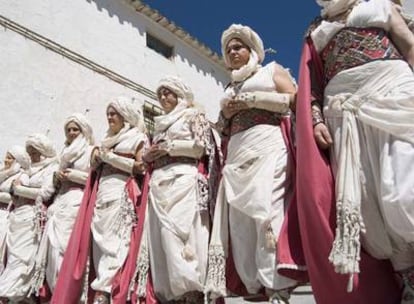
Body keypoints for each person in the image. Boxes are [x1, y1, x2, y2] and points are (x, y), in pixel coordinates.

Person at [281, 0, 414, 303]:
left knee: (402, 191)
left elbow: (409, 46)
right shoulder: (316, 28)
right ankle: (406, 280)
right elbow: (311, 84)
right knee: (368, 206)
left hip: (392, 94)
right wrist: (314, 121)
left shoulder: (379, 6)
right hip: (343, 114)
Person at [205, 24, 298, 303]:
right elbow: (222, 129)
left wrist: (254, 100)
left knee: (267, 214)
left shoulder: (271, 71)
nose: (233, 52)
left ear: (251, 49)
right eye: (229, 49)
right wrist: (226, 115)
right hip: (236, 156)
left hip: (268, 147)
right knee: (241, 226)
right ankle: (254, 288)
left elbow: (295, 98)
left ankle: (278, 287)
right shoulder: (229, 86)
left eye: (238, 47)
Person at [52, 97, 148, 304]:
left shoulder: (136, 137)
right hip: (101, 195)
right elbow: (93, 171)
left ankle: (106, 290)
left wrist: (109, 158)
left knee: (115, 243)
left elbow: (142, 168)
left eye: (114, 114)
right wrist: (97, 160)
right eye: (108, 114)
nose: (110, 117)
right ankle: (100, 288)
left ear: (125, 116)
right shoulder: (105, 141)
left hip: (120, 193)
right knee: (99, 241)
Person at [142, 76, 213, 303]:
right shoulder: (159, 124)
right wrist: (149, 155)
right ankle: (172, 294)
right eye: (160, 94)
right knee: (161, 236)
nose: (163, 97)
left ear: (179, 94)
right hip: (160, 183)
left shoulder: (193, 115)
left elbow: (202, 147)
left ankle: (190, 287)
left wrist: (169, 148)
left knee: (182, 234)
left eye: (167, 93)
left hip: (183, 178)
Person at [30, 114, 94, 295]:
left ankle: (69, 292)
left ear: (83, 130)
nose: (72, 133)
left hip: (77, 201)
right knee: (52, 250)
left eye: (75, 129)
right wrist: (56, 178)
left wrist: (71, 175)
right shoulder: (62, 154)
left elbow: (93, 178)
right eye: (68, 130)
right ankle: (55, 290)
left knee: (67, 249)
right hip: (59, 202)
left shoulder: (90, 151)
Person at [0, 134, 58, 303]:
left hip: (32, 218)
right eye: (29, 152)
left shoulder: (51, 168)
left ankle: (8, 292)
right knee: (12, 257)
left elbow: (45, 192)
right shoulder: (27, 171)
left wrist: (19, 190)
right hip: (16, 218)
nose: (32, 155)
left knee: (22, 258)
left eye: (35, 151)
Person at [0, 146, 31, 275]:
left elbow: (18, 198)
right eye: (6, 157)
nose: (6, 160)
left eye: (9, 158)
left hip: (6, 216)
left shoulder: (22, 176)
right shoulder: (3, 174)